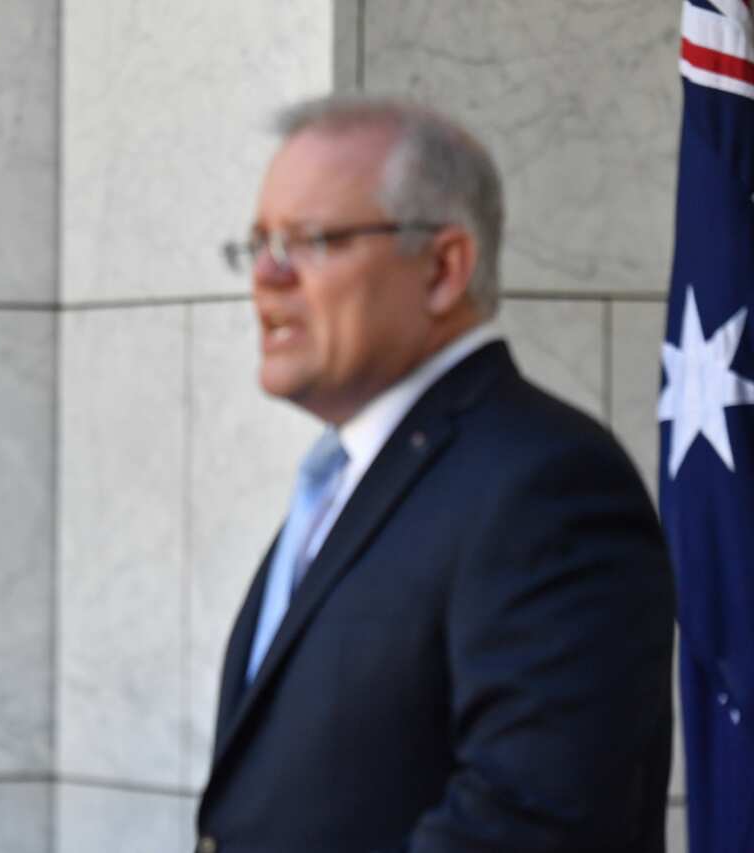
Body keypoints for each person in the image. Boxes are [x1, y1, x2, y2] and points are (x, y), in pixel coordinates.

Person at [197, 96, 675, 852]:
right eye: (258, 243)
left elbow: (528, 823)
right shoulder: (349, 474)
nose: (266, 277)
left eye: (310, 240)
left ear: (445, 267)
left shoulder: (549, 488)